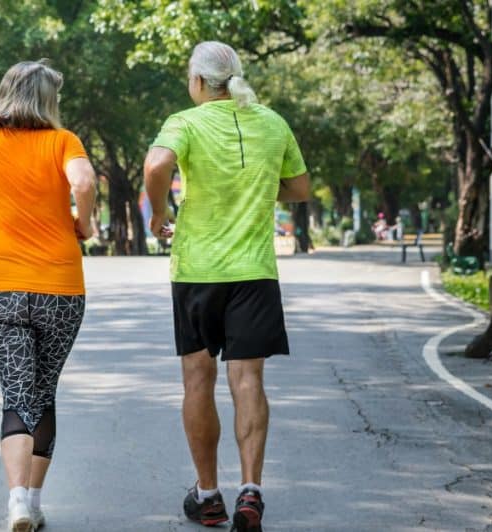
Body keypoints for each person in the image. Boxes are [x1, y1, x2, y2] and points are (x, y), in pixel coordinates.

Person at [143, 41, 310, 531]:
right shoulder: (272, 121)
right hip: (254, 272)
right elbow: (299, 188)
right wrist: (256, 185)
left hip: (197, 271)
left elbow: (156, 166)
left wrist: (159, 214)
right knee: (248, 381)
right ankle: (251, 491)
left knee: (199, 378)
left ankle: (209, 494)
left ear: (198, 82)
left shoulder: (185, 122)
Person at [0, 59, 97, 532]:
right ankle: (33, 502)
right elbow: (83, 181)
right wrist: (84, 223)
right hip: (60, 286)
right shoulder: (64, 142)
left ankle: (17, 502)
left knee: (17, 394)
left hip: (0, 289)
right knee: (44, 391)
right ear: (47, 101)